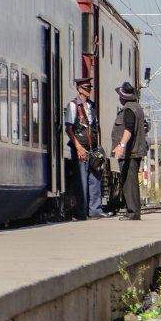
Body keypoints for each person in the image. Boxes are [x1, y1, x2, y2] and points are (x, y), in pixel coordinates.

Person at [65, 76, 104, 219]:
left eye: (90, 88)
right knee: (81, 181)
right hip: (81, 149)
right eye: (87, 88)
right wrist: (78, 147)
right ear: (80, 89)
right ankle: (81, 212)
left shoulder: (92, 106)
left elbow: (95, 128)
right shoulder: (73, 106)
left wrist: (98, 148)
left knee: (95, 180)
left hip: (93, 149)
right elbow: (69, 129)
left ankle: (95, 210)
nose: (90, 90)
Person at [110, 81, 148, 221]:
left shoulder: (128, 110)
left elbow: (128, 130)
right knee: (129, 181)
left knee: (129, 182)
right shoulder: (136, 107)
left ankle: (133, 213)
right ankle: (132, 211)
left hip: (130, 153)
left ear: (123, 97)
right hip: (133, 151)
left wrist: (121, 145)